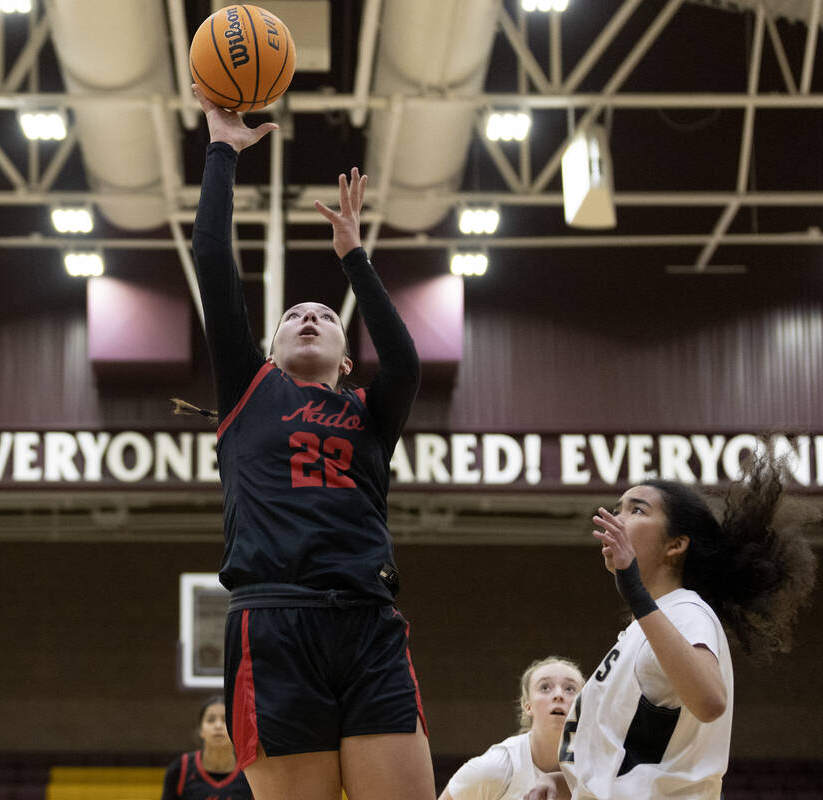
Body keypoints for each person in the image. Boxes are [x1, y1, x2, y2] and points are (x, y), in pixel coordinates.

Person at [186, 85, 430, 800]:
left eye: (325, 315)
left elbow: (408, 364)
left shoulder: (370, 413)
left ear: (347, 359)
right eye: (294, 315)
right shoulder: (249, 389)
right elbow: (210, 258)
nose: (311, 319)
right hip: (273, 619)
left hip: (366, 618)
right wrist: (222, 153)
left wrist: (354, 256)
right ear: (269, 344)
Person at [526, 456, 817, 800]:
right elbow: (626, 761)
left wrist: (635, 591)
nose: (617, 518)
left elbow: (710, 701)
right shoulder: (642, 631)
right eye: (618, 508)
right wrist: (561, 782)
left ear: (675, 545)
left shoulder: (687, 612)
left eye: (637, 511)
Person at [439, 657, 584, 800]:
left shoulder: (600, 765)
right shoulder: (496, 767)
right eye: (545, 687)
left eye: (570, 689)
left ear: (584, 707)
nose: (558, 695)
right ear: (528, 706)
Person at [161, 696, 254, 800]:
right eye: (211, 720)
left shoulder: (252, 771)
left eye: (225, 720)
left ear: (236, 729)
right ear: (201, 730)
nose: (218, 726)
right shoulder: (179, 769)